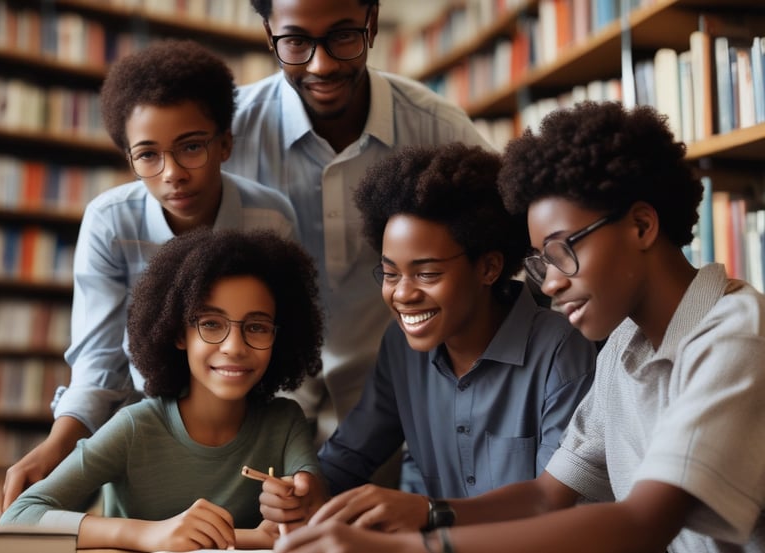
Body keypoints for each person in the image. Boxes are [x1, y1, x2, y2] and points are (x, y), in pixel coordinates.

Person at [270, 101, 765, 553]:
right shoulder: (622, 346)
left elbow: (642, 525)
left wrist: (411, 547)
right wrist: (428, 513)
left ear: (640, 226)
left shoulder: (734, 337)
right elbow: (546, 496)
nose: (549, 284)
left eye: (562, 252)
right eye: (540, 261)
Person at [0, 39, 300, 514]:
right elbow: (98, 355)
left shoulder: (270, 217)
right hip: (147, 426)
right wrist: (60, 444)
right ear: (128, 157)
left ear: (226, 143)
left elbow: (281, 338)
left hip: (246, 429)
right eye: (148, 155)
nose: (172, 174)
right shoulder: (109, 221)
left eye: (192, 147)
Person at [259, 143, 597, 529]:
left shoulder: (562, 350)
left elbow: (554, 505)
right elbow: (349, 456)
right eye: (390, 273)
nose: (402, 294)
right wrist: (303, 487)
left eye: (427, 273)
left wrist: (427, 512)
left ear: (488, 268)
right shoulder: (401, 348)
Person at [225, 0, 493, 453]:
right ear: (268, 34)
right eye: (295, 42)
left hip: (406, 409)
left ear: (371, 22)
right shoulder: (228, 136)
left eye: (343, 35)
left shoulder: (437, 129)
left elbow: (512, 250)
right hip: (256, 405)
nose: (322, 64)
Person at [0, 227, 325, 551]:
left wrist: (296, 502)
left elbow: (308, 505)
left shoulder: (285, 423)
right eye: (211, 323)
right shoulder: (135, 426)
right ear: (178, 333)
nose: (234, 347)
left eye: (257, 327)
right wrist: (147, 534)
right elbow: (16, 519)